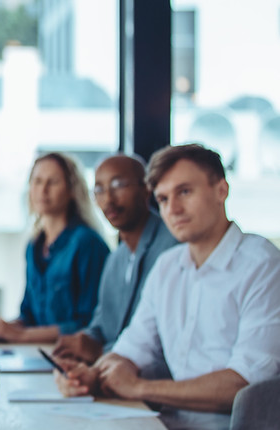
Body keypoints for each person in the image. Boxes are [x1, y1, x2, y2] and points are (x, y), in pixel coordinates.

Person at [56, 144, 280, 429]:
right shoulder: (167, 266)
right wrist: (91, 375)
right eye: (162, 199)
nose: (172, 209)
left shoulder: (262, 266)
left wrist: (138, 388)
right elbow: (131, 348)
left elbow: (246, 385)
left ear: (221, 190)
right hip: (164, 422)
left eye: (185, 192)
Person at [52, 155, 179, 364]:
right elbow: (100, 325)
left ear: (147, 188)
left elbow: (157, 340)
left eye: (118, 185)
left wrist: (99, 352)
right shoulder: (116, 258)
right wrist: (85, 340)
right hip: (112, 372)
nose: (109, 199)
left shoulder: (172, 249)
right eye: (99, 190)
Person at [0, 153, 109, 343]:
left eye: (52, 182)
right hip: (37, 353)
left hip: (73, 358)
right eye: (37, 181)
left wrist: (22, 335)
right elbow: (28, 316)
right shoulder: (33, 246)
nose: (42, 190)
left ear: (72, 190)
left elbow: (90, 324)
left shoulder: (88, 243)